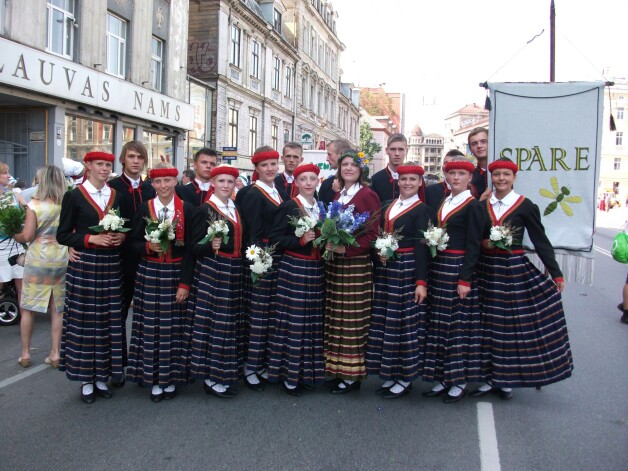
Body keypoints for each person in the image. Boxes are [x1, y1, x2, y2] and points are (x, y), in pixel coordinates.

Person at [471, 158, 573, 399]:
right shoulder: (482, 205)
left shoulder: (525, 205)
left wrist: (555, 272)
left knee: (507, 326)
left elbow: (540, 240)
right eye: (497, 175)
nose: (501, 179)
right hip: (485, 269)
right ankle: (488, 377)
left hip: (511, 269)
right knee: (486, 324)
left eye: (506, 174)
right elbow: (475, 239)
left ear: (514, 177)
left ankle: (505, 379)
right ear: (492, 178)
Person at [56, 151, 126, 403]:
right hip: (84, 263)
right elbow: (63, 235)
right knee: (85, 321)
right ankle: (86, 378)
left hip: (110, 263)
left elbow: (124, 228)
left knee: (108, 319)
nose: (105, 169)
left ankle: (102, 376)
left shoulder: (116, 196)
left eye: (108, 165)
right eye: (100, 164)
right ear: (88, 165)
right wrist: (89, 238)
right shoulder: (73, 196)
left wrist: (121, 237)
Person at [125, 164, 195, 402]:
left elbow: (191, 253)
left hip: (176, 272)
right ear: (152, 184)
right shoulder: (145, 208)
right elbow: (131, 242)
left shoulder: (188, 209)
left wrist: (185, 283)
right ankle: (154, 378)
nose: (163, 186)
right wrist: (147, 246)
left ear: (175, 181)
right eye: (158, 182)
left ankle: (171, 377)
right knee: (151, 327)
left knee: (175, 327)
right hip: (150, 271)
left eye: (167, 180)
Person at [366, 164, 435, 399]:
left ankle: (405, 378)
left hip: (407, 269)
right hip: (387, 271)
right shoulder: (388, 205)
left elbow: (421, 248)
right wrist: (379, 251)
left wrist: (421, 282)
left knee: (405, 325)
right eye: (404, 179)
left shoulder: (422, 210)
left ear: (419, 183)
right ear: (398, 181)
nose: (407, 183)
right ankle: (392, 373)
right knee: (388, 322)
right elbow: (378, 235)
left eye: (412, 180)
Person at [422, 157, 484, 403]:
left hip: (458, 267)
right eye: (452, 173)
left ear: (470, 178)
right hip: (440, 267)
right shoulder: (444, 201)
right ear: (445, 177)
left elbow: (474, 245)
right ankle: (442, 377)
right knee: (439, 323)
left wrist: (465, 279)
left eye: (461, 174)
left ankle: (458, 381)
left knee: (457, 327)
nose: (456, 178)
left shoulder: (473, 205)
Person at [325, 149, 380, 394]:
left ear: (361, 170)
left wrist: (345, 250)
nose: (348, 168)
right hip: (336, 265)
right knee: (337, 317)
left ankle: (352, 375)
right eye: (344, 164)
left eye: (353, 165)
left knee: (352, 319)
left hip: (355, 264)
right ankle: (337, 369)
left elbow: (372, 234)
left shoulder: (367, 194)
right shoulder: (340, 194)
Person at [268, 163, 325, 396]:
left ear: (318, 182)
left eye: (313, 179)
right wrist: (300, 241)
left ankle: (306, 372)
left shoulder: (321, 207)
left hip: (317, 268)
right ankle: (289, 376)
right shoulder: (290, 206)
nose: (309, 183)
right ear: (297, 183)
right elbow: (275, 238)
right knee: (294, 322)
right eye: (304, 179)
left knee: (311, 321)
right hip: (295, 267)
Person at [189, 164, 244, 399]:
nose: (225, 186)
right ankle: (211, 377)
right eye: (221, 181)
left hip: (234, 270)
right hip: (215, 270)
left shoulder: (234, 207)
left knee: (229, 324)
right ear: (212, 183)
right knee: (215, 325)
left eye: (230, 182)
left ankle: (224, 372)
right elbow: (193, 247)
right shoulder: (205, 210)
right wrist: (208, 245)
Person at [108, 141, 156, 378]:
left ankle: (145, 366)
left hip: (149, 259)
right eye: (131, 156)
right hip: (121, 259)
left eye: (140, 157)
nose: (136, 161)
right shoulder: (112, 188)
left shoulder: (152, 188)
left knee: (149, 315)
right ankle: (116, 366)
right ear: (123, 160)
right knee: (118, 313)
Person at [238, 146, 285, 391]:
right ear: (256, 168)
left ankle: (265, 361)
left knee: (271, 313)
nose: (270, 169)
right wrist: (256, 262)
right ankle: (251, 366)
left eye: (273, 164)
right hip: (262, 258)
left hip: (278, 257)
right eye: (264, 165)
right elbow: (252, 232)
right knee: (257, 313)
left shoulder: (279, 190)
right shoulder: (252, 193)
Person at [13, 166, 68, 370]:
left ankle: (26, 353)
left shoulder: (34, 204)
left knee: (28, 307)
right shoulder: (66, 204)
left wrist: (15, 235)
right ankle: (55, 353)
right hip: (61, 257)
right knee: (57, 307)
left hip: (38, 258)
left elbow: (27, 236)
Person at [0, 162, 27, 366]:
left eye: (8, 172)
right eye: (4, 173)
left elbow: (26, 211)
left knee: (20, 283)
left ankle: (25, 317)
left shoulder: (15, 193)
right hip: (0, 244)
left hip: (16, 243)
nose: (8, 176)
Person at [371, 133, 408, 202]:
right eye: (393, 149)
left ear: (406, 151)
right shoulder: (376, 179)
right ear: (386, 150)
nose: (397, 153)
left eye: (401, 149)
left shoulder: (414, 179)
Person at [319, 139, 351, 206]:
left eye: (329, 154)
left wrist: (338, 192)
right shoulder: (326, 184)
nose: (327, 159)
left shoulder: (360, 185)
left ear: (341, 154)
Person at [468, 127, 491, 201]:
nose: (479, 146)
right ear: (470, 149)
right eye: (474, 144)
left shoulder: (505, 173)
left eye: (483, 141)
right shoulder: (468, 178)